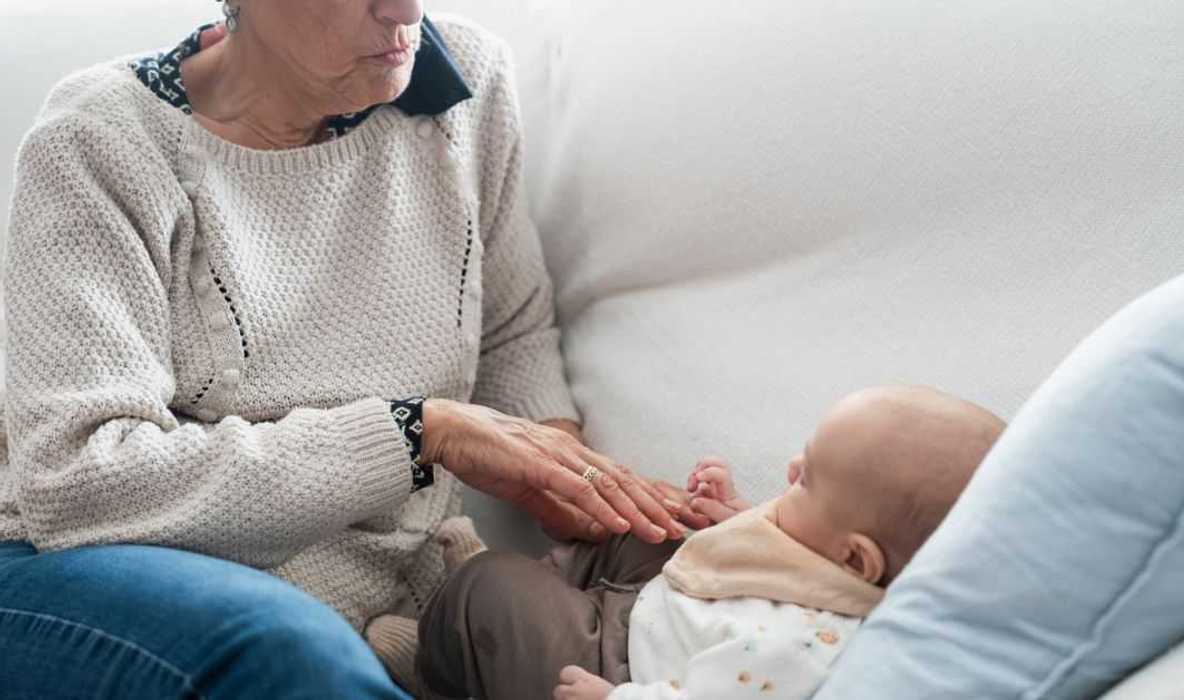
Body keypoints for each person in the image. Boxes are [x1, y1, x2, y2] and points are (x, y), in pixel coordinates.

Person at [0, 1, 690, 696]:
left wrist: (574, 486)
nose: (404, 9)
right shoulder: (98, 140)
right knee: (292, 649)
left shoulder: (460, 80)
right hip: (72, 565)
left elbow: (511, 333)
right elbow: (77, 482)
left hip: (362, 610)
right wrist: (417, 434)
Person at [393, 386, 1006, 699]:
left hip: (627, 668)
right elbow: (771, 562)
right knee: (645, 527)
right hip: (669, 603)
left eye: (809, 478)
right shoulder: (837, 558)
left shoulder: (800, 649)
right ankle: (509, 623)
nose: (791, 469)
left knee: (492, 587)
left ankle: (437, 660)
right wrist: (730, 520)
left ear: (854, 559)